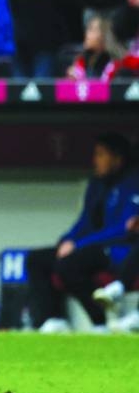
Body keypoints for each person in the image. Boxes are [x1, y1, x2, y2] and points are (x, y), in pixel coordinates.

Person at [25, 133, 139, 334]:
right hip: (89, 246)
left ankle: (100, 321)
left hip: (118, 248)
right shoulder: (97, 185)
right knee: (37, 259)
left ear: (118, 159)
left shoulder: (133, 183)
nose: (96, 160)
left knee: (69, 265)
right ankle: (52, 320)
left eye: (101, 155)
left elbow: (125, 227)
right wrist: (68, 240)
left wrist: (79, 245)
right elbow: (85, 221)